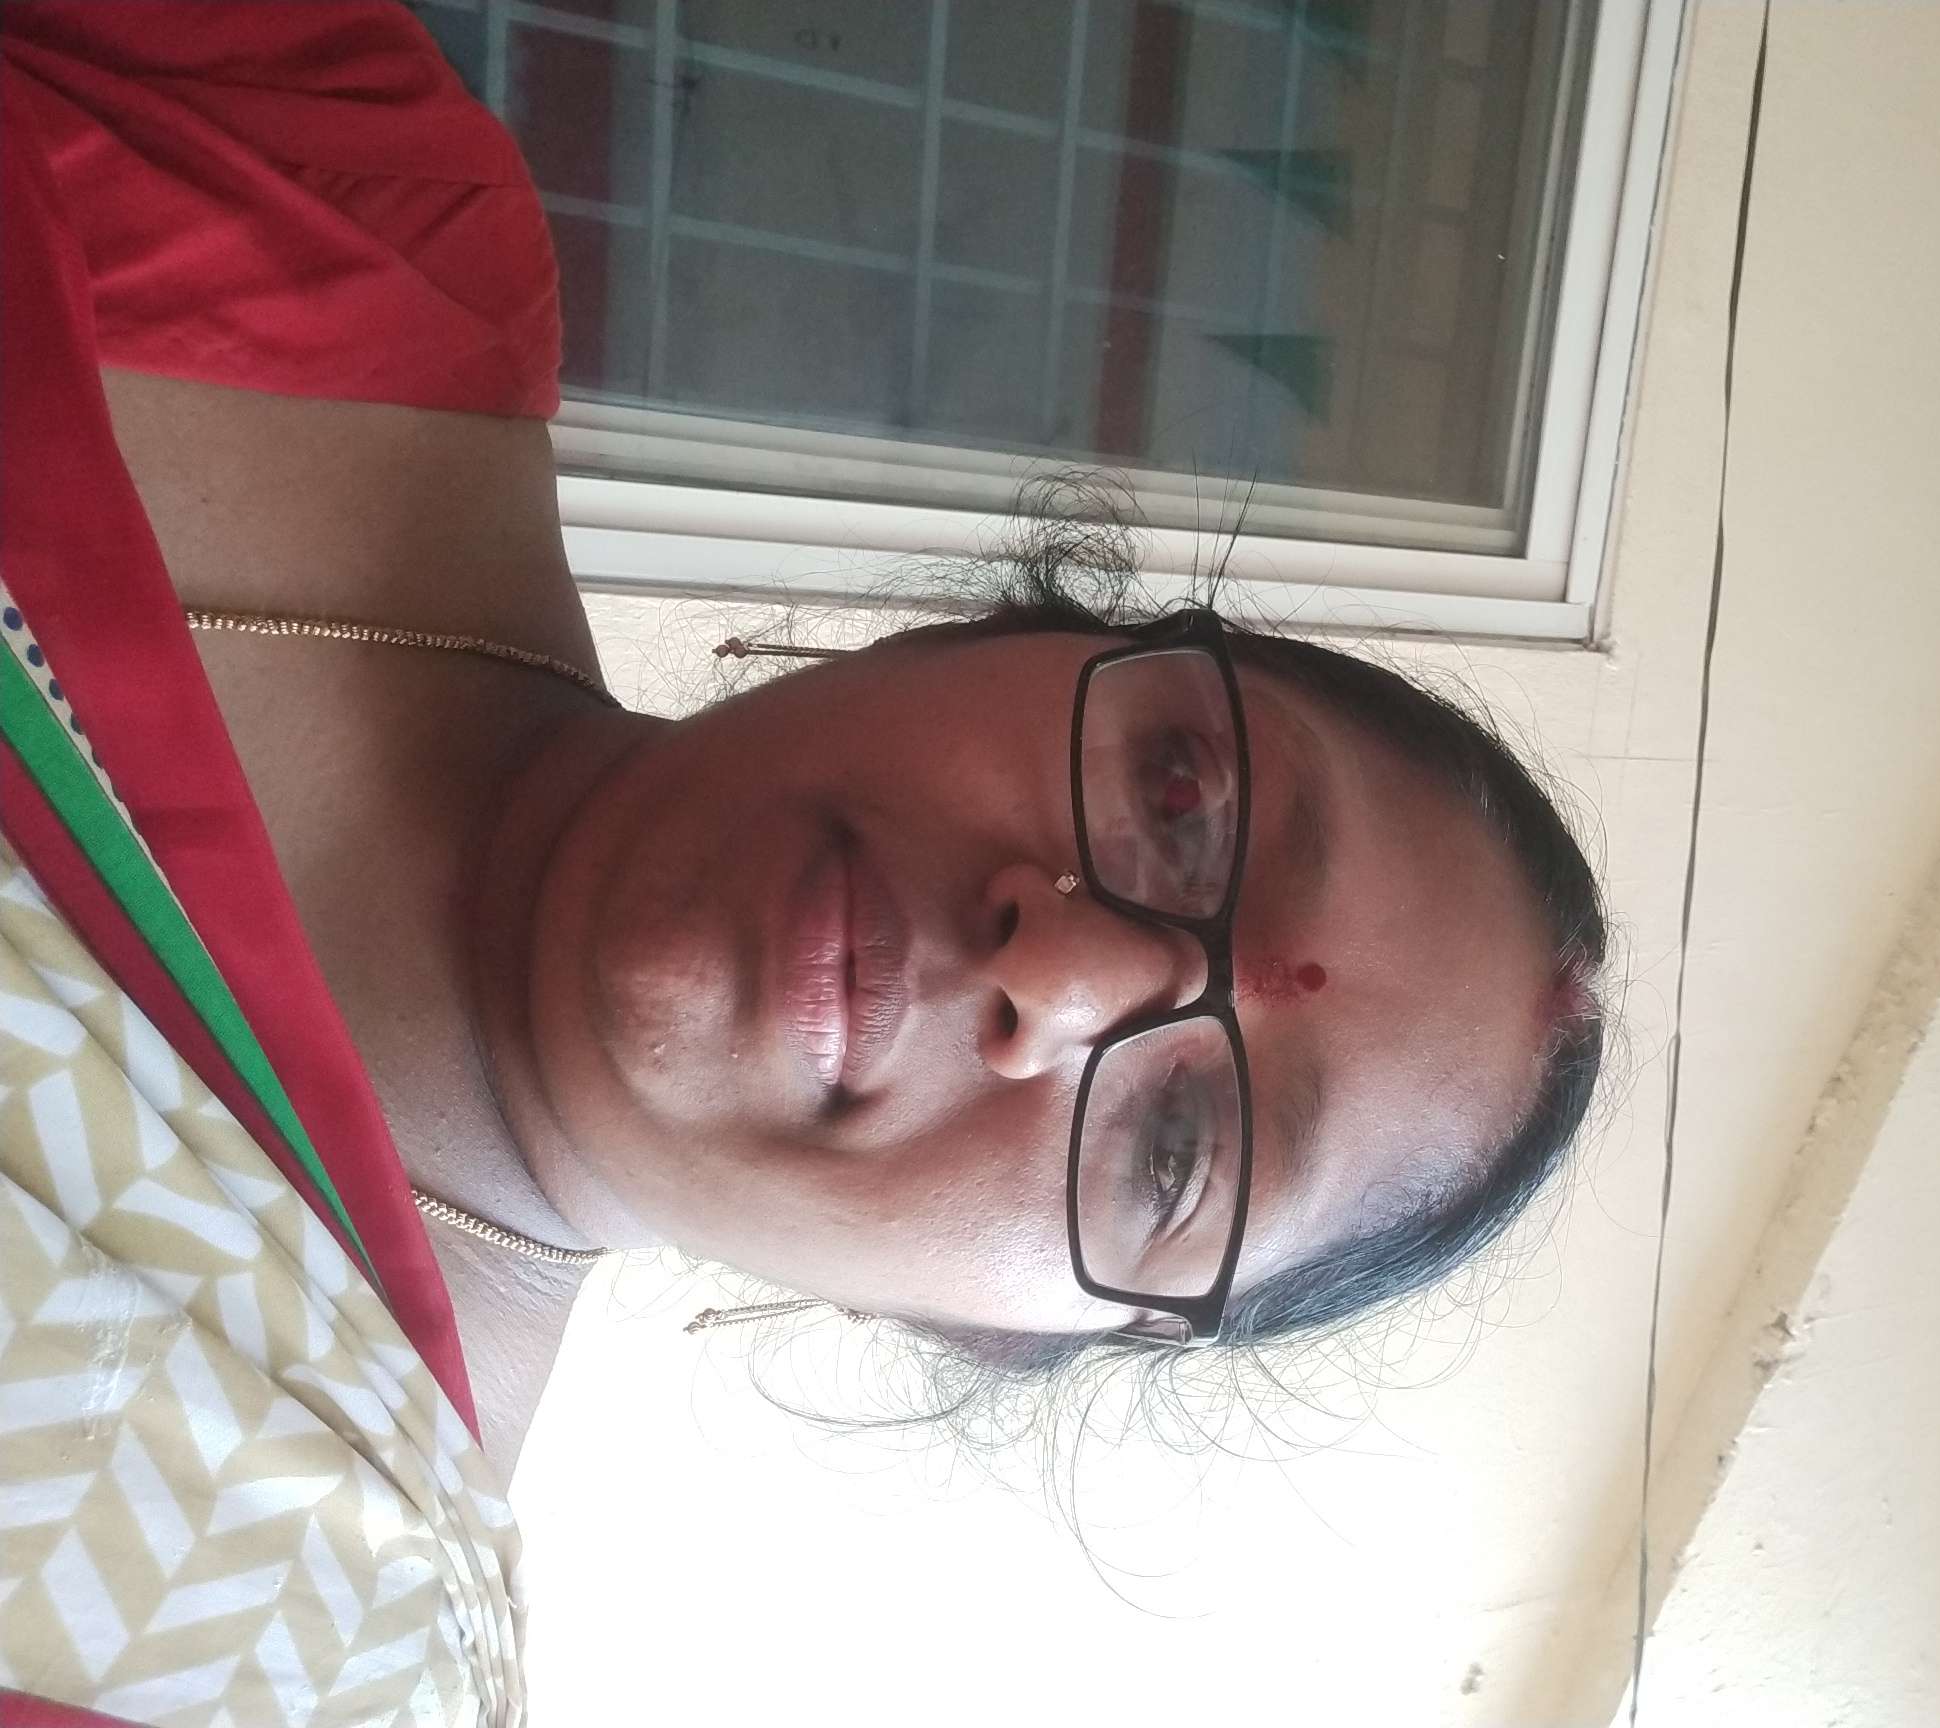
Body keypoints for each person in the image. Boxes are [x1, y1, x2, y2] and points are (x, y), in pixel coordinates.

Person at [0, 5, 1606, 1724]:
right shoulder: (343, 192)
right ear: (1007, 636)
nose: (1056, 972)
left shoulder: (291, 1641)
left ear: (1007, 1333)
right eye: (1180, 795)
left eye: (1178, 1149)